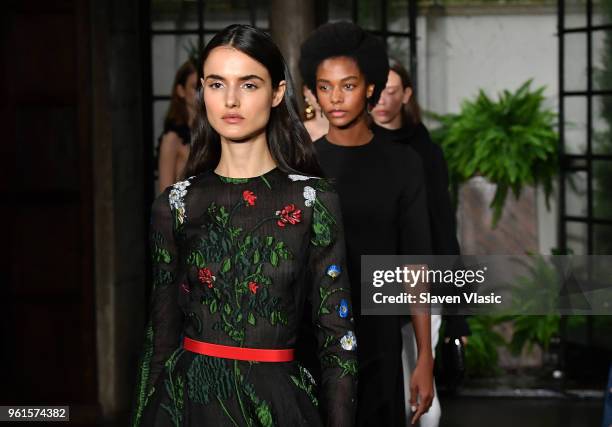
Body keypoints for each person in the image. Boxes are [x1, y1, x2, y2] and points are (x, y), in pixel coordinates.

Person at [132, 24, 357, 427]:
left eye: (249, 85)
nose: (231, 100)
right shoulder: (176, 205)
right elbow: (161, 336)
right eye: (217, 84)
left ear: (276, 93)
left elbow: (337, 338)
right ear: (203, 91)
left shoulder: (313, 201)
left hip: (278, 405)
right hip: (188, 405)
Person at [300, 22, 434, 426]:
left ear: (371, 88)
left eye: (348, 85)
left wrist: (425, 354)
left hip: (379, 334)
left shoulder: (403, 164)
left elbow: (415, 262)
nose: (335, 98)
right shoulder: (301, 164)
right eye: (325, 87)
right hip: (312, 334)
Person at [371, 58, 472, 427]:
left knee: (419, 389)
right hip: (372, 280)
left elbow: (442, 226)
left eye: (391, 91)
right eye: (376, 90)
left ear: (406, 95)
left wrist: (458, 311)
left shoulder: (426, 152)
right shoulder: (359, 148)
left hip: (421, 279)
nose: (381, 99)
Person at [157, 60, 198, 193]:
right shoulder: (172, 138)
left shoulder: (212, 131)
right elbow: (165, 193)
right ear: (181, 91)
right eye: (194, 86)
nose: (200, 92)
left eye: (203, 86)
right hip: (185, 212)